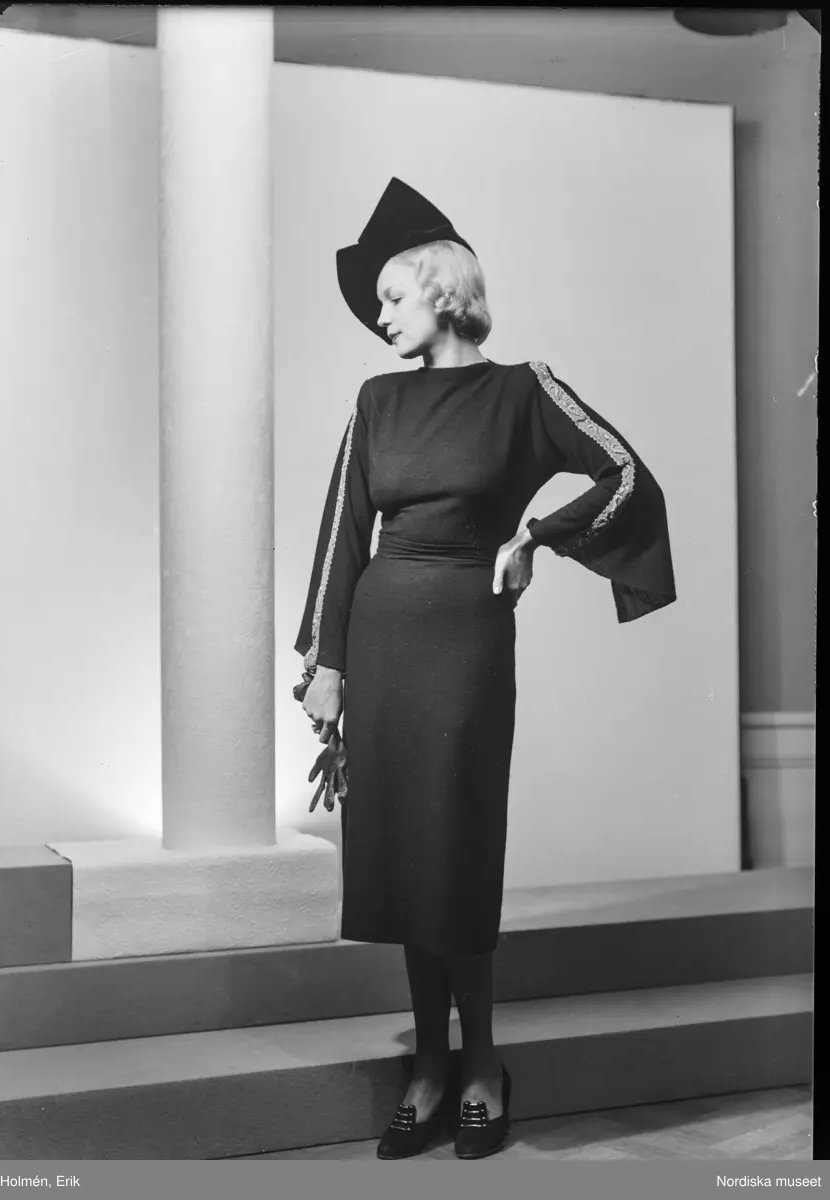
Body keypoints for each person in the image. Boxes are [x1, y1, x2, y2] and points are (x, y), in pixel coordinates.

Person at [294, 178, 676, 1160]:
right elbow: (342, 534)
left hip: (464, 645)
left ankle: (483, 1065)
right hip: (381, 642)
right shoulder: (375, 401)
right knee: (403, 860)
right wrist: (326, 664)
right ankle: (428, 1066)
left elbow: (625, 473)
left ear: (440, 287)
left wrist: (536, 537)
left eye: (391, 297)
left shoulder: (522, 390)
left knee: (452, 852)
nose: (380, 317)